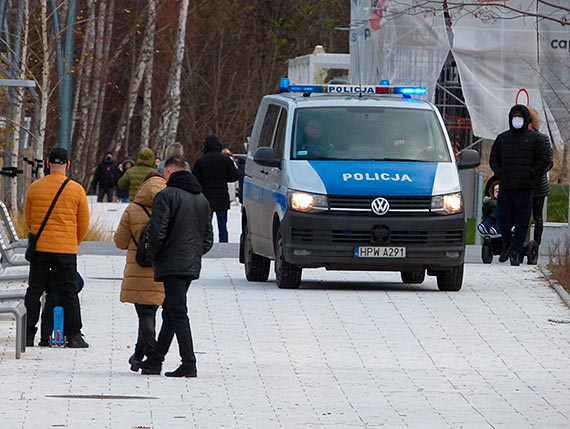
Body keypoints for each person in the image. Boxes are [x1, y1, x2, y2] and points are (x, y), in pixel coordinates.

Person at [139, 156, 213, 377]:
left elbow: (157, 231)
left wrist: (150, 256)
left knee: (178, 313)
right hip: (189, 265)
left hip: (171, 263)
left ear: (169, 172)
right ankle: (155, 361)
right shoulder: (202, 199)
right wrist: (192, 255)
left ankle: (189, 363)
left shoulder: (166, 196)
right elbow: (208, 239)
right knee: (171, 312)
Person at [24, 147, 90, 348]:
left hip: (41, 248)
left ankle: (28, 334)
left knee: (34, 291)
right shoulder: (76, 190)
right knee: (69, 291)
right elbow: (84, 223)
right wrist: (72, 240)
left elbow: (29, 220)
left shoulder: (35, 188)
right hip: (66, 249)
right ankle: (74, 335)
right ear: (68, 165)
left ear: (47, 163)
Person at [114, 171, 166, 372]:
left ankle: (152, 356)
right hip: (161, 268)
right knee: (149, 312)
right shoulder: (170, 208)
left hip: (138, 268)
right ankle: (138, 355)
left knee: (145, 314)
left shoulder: (132, 209)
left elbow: (120, 242)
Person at [489, 104, 552, 266]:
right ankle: (508, 244)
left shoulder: (536, 139)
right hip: (507, 187)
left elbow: (545, 160)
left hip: (525, 188)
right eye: (515, 117)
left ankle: (516, 251)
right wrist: (500, 173)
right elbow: (494, 159)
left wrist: (531, 173)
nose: (517, 120)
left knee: (523, 221)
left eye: (520, 117)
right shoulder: (503, 139)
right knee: (502, 218)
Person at [193, 135, 239, 243]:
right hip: (221, 196)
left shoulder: (200, 161)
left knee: (205, 225)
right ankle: (223, 244)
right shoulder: (225, 160)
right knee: (223, 226)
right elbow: (234, 177)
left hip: (206, 197)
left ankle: (205, 244)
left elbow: (195, 180)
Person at [527, 107, 553, 251]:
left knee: (537, 216)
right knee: (525, 215)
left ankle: (535, 244)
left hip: (538, 184)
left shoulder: (541, 139)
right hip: (525, 183)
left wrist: (535, 173)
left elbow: (548, 161)